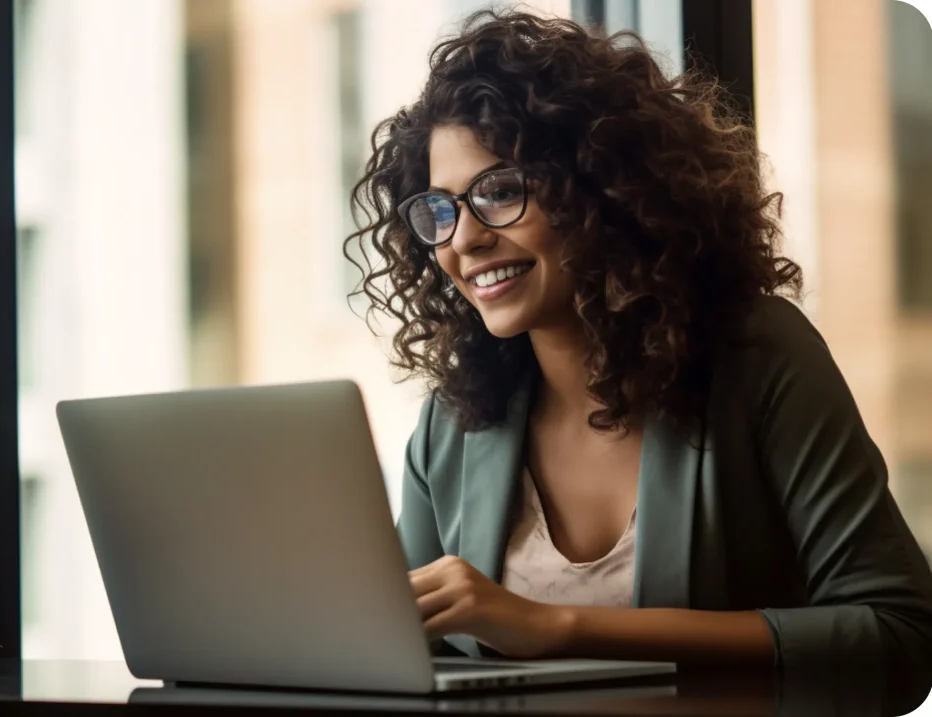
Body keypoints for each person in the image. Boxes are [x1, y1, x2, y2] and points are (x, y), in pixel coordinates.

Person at [345, 8, 932, 692]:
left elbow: (898, 633)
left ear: (604, 189)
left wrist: (561, 626)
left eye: (500, 191)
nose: (464, 239)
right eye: (439, 210)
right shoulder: (454, 420)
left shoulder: (758, 356)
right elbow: (392, 650)